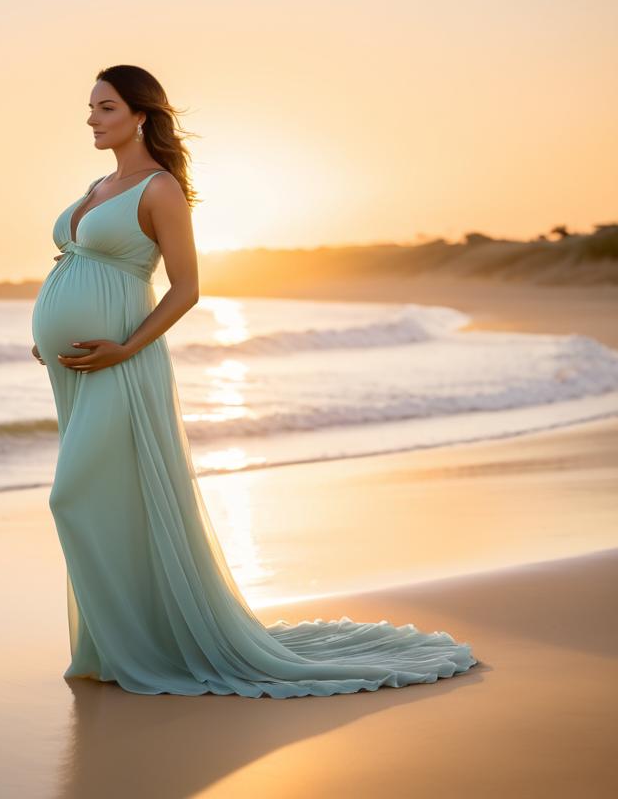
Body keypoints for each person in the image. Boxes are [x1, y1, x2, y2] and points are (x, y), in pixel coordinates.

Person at [30, 64, 479, 697]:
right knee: (108, 498)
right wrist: (47, 328)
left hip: (122, 364)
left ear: (141, 115)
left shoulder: (159, 190)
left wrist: (125, 346)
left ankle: (146, 643)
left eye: (105, 108)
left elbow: (187, 289)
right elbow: (75, 266)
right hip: (76, 368)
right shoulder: (99, 185)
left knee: (72, 496)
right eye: (91, 108)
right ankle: (116, 644)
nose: (92, 119)